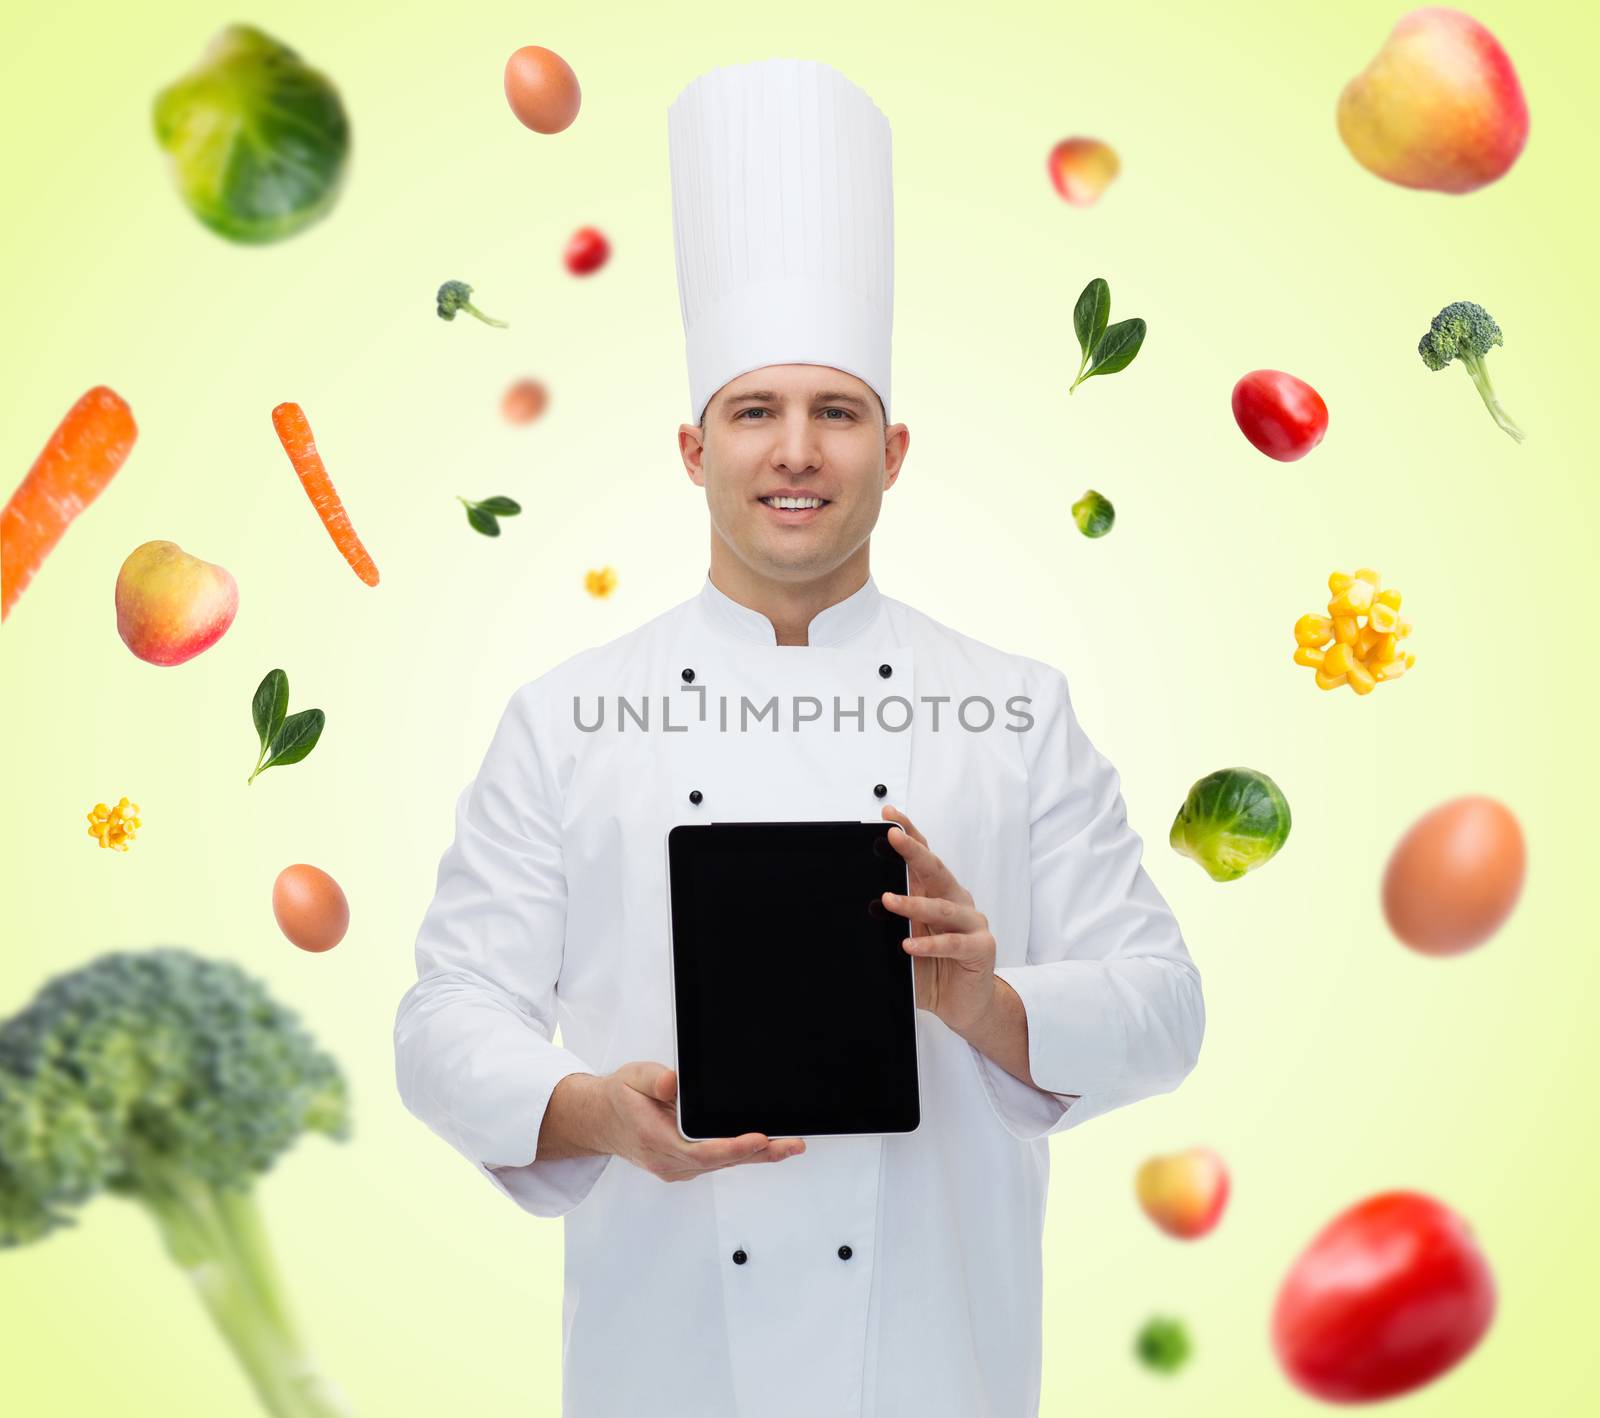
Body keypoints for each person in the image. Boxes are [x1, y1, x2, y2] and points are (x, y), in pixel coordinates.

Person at [393, 57, 1204, 1418]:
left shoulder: (1013, 707)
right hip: (665, 1367)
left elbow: (1168, 1006)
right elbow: (441, 1020)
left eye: (836, 411)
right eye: (753, 411)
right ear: (691, 447)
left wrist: (990, 1007)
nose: (795, 451)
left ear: (892, 451)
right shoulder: (566, 719)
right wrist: (589, 1109)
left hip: (940, 1369)